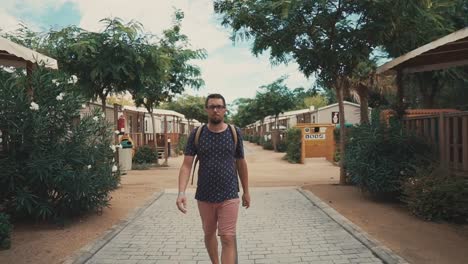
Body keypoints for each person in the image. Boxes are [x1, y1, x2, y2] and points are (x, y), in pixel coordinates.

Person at [176, 93, 250, 264]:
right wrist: (181, 192)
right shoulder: (197, 133)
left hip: (229, 193)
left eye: (219, 106)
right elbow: (186, 165)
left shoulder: (234, 132)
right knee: (209, 233)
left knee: (227, 237)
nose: (215, 110)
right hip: (204, 195)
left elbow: (241, 163)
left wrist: (246, 191)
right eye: (212, 107)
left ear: (225, 109)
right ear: (206, 110)